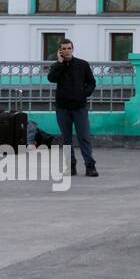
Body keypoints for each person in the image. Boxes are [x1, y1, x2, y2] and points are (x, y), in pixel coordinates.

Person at [47, 38, 98, 176]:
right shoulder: (57, 66)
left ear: (72, 49)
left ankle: (90, 166)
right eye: (63, 48)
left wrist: (84, 94)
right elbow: (51, 78)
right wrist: (59, 63)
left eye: (69, 48)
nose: (66, 51)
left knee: (84, 136)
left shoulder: (82, 64)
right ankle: (71, 166)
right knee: (66, 138)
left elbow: (92, 83)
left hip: (79, 107)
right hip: (62, 107)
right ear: (59, 51)